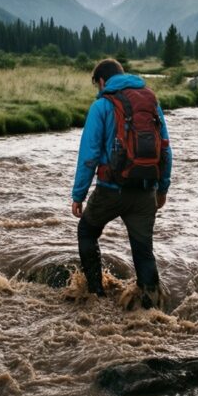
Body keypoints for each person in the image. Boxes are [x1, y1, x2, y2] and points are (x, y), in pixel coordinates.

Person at [70, 58, 172, 309]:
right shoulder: (151, 101)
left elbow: (89, 156)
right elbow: (166, 149)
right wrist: (163, 188)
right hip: (146, 190)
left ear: (102, 81)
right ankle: (152, 310)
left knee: (87, 231)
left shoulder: (102, 105)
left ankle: (96, 294)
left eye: (97, 85)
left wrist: (78, 195)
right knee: (143, 250)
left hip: (110, 191)